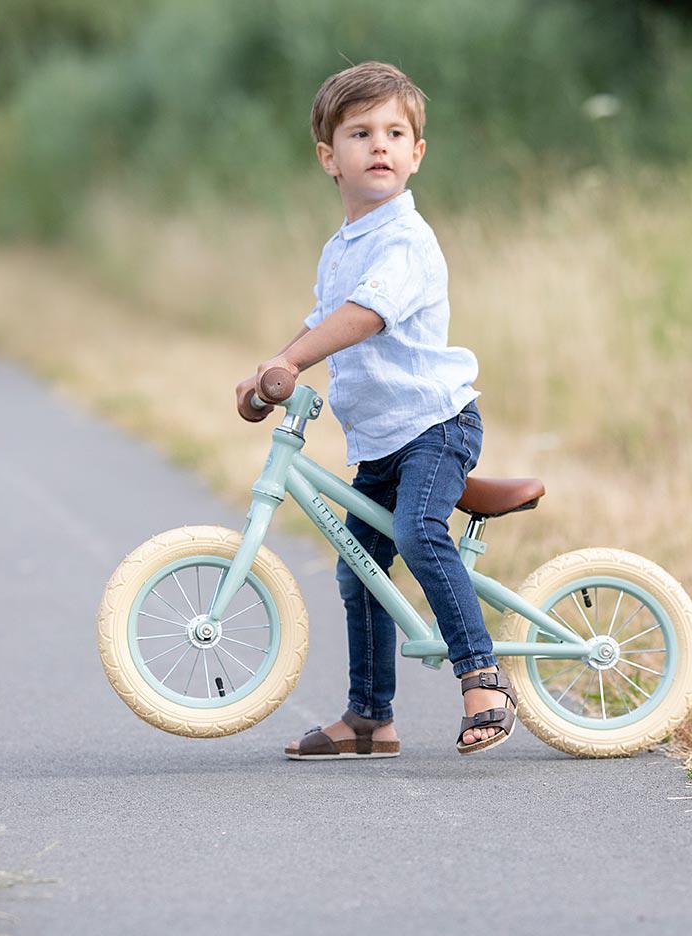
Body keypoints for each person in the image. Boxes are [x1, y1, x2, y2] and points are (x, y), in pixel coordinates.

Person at [234, 61, 516, 759]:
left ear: (417, 154)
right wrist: (269, 368)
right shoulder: (342, 248)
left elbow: (363, 317)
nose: (380, 145)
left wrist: (295, 361)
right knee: (356, 566)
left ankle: (483, 680)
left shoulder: (407, 242)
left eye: (395, 132)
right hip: (382, 441)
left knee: (421, 532)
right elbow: (321, 319)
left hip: (436, 426)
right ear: (330, 158)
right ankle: (369, 718)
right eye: (361, 133)